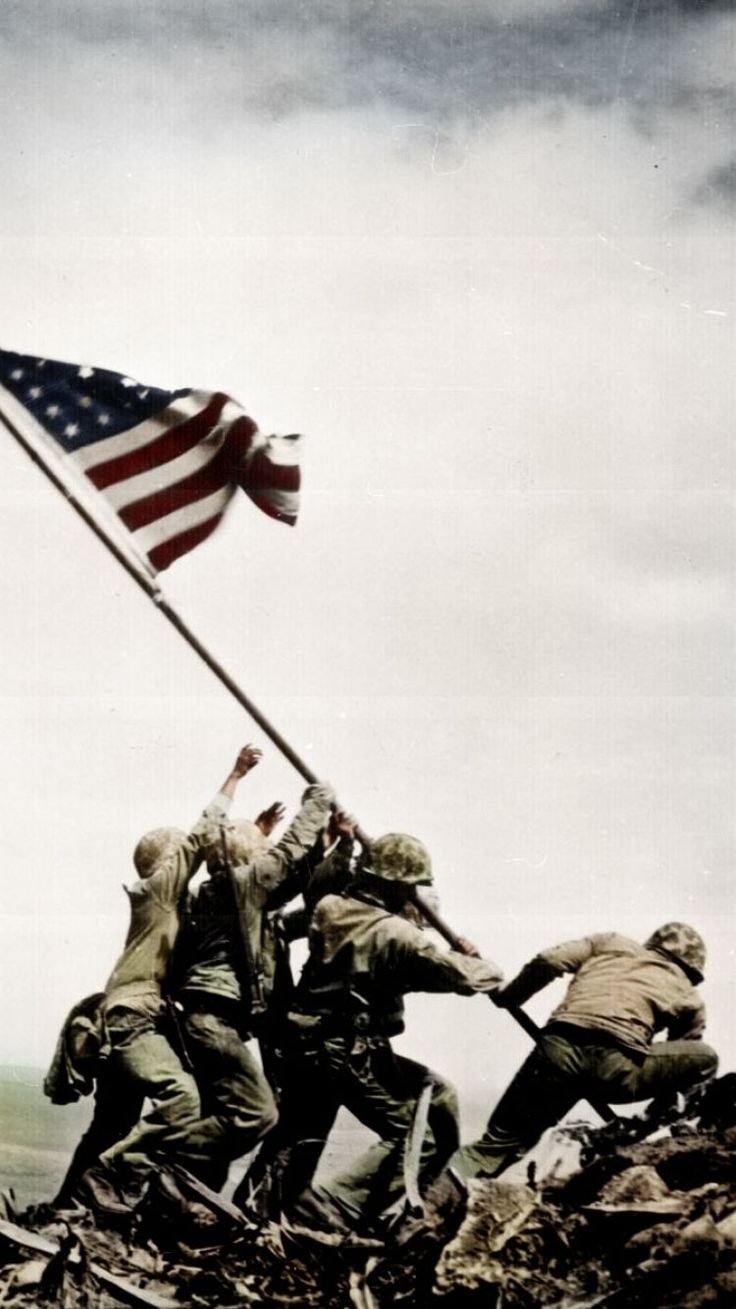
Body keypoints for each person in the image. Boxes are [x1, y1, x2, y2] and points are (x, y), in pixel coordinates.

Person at [54, 745, 259, 1209]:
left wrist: (254, 836)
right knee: (183, 1100)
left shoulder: (166, 905)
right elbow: (201, 834)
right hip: (134, 1017)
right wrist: (235, 776)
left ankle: (68, 1204)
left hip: (132, 1019)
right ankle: (111, 1181)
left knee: (112, 1122)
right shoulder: (160, 892)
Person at [272, 832, 503, 1233]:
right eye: (411, 885)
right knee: (420, 1138)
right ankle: (336, 1208)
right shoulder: (397, 935)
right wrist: (475, 958)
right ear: (397, 885)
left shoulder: (329, 908)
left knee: (439, 1095)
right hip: (346, 1051)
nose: (413, 893)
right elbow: (470, 979)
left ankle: (293, 1201)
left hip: (308, 1041)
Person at [169, 775, 336, 1192]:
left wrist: (329, 843)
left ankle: (187, 1198)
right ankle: (152, 1157)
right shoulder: (242, 887)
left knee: (226, 1116)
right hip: (215, 1023)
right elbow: (287, 854)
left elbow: (294, 879)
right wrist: (318, 801)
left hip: (209, 1022)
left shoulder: (220, 895)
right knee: (258, 1114)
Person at [451, 922, 719, 1181]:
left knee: (494, 1148)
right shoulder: (689, 995)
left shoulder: (608, 943)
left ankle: (425, 1199)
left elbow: (549, 961)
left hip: (556, 1054)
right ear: (691, 969)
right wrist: (653, 1116)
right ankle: (636, 1128)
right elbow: (679, 1063)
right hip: (616, 1072)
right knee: (706, 1058)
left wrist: (511, 996)